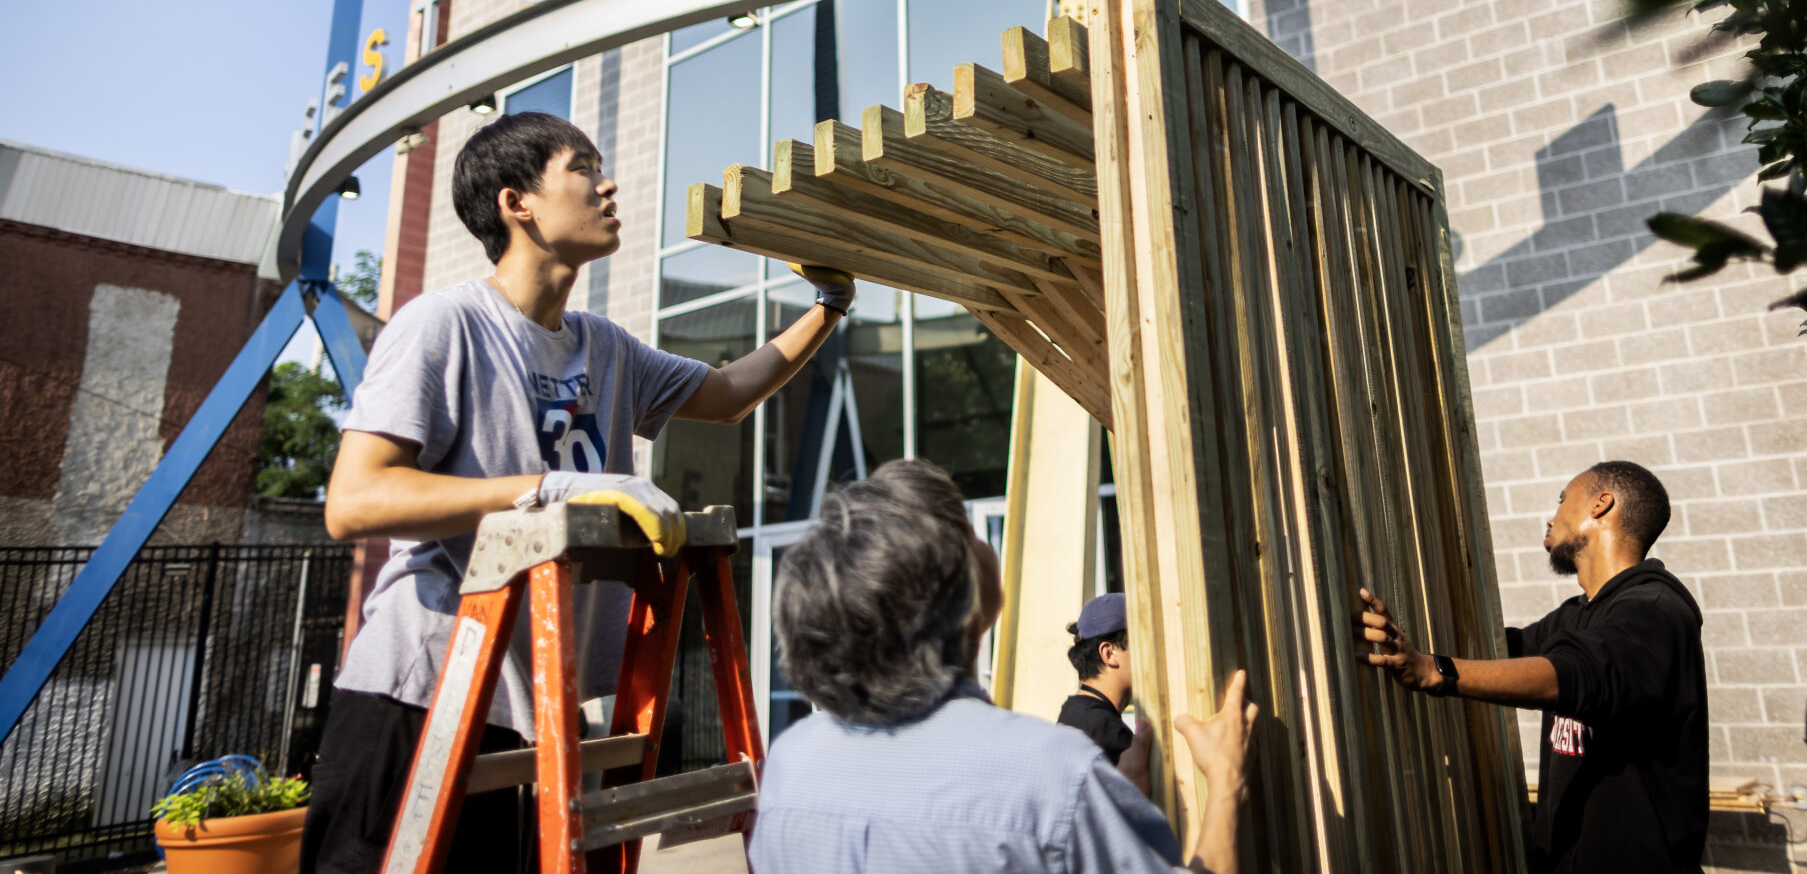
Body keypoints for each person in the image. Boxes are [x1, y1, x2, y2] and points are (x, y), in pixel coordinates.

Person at [302, 111, 852, 874]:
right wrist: (549, 488)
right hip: (422, 693)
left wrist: (830, 307)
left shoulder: (607, 346)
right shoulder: (443, 326)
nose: (609, 182)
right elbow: (354, 502)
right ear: (516, 202)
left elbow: (728, 395)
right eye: (582, 166)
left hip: (534, 712)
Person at [752, 459, 1258, 874]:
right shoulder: (1053, 779)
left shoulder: (790, 766)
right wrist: (1226, 780)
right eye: (966, 530)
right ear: (959, 592)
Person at [1356, 460, 1707, 874]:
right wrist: (1405, 636)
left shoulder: (1654, 612)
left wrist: (1436, 671)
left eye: (1562, 501)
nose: (1551, 516)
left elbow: (1579, 675)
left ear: (1601, 504)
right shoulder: (1577, 616)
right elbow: (1500, 652)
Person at [1057, 592, 1154, 788]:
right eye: (1144, 643)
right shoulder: (1108, 734)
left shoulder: (1074, 714)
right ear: (1109, 653)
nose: (1153, 653)